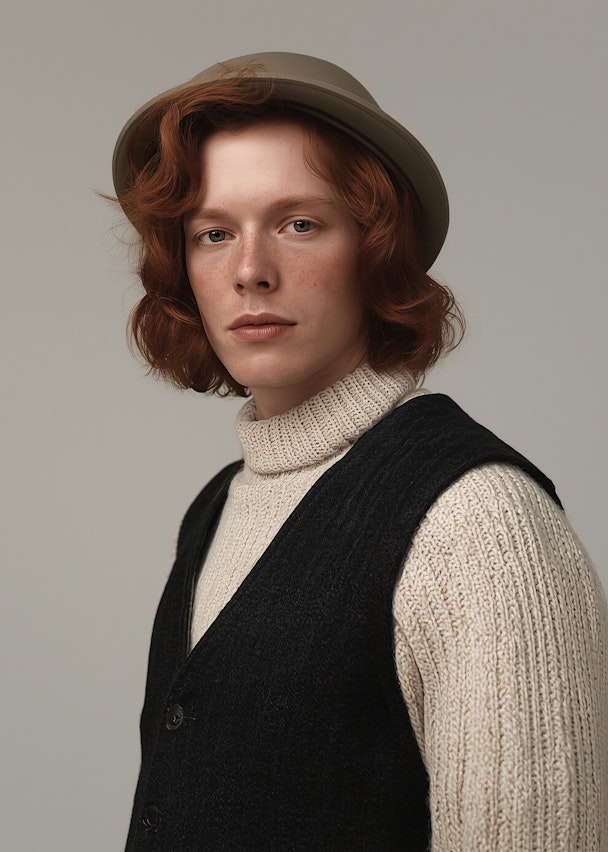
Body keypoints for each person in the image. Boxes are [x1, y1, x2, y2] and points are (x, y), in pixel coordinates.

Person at [111, 52, 607, 851]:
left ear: (377, 249)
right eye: (213, 233)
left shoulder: (479, 523)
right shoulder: (217, 506)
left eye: (299, 224)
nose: (250, 271)